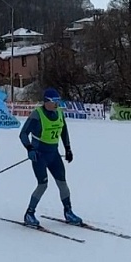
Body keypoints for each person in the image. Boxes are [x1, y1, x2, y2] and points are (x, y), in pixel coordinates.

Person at [19, 87, 81, 227]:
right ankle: (29, 214)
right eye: (54, 101)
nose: (57, 104)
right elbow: (23, 134)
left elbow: (64, 131)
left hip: (54, 155)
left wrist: (68, 148)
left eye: (58, 101)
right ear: (47, 101)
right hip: (39, 155)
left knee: (62, 183)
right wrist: (29, 148)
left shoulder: (59, 113)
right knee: (42, 185)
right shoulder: (37, 115)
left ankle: (68, 212)